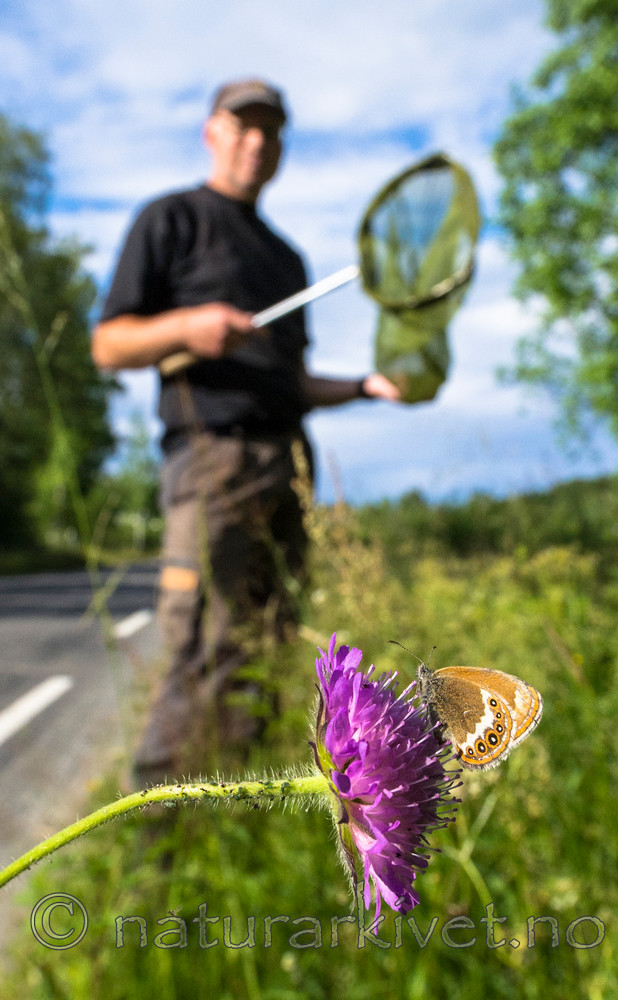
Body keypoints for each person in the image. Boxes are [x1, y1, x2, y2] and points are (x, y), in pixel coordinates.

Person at [92, 78, 400, 783]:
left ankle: (240, 825)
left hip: (288, 464)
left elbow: (295, 383)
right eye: (243, 125)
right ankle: (158, 844)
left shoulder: (286, 259)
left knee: (269, 646)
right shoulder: (171, 220)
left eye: (271, 130)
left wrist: (365, 387)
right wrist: (187, 329)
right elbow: (109, 344)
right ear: (212, 132)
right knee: (204, 646)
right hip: (210, 459)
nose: (257, 141)